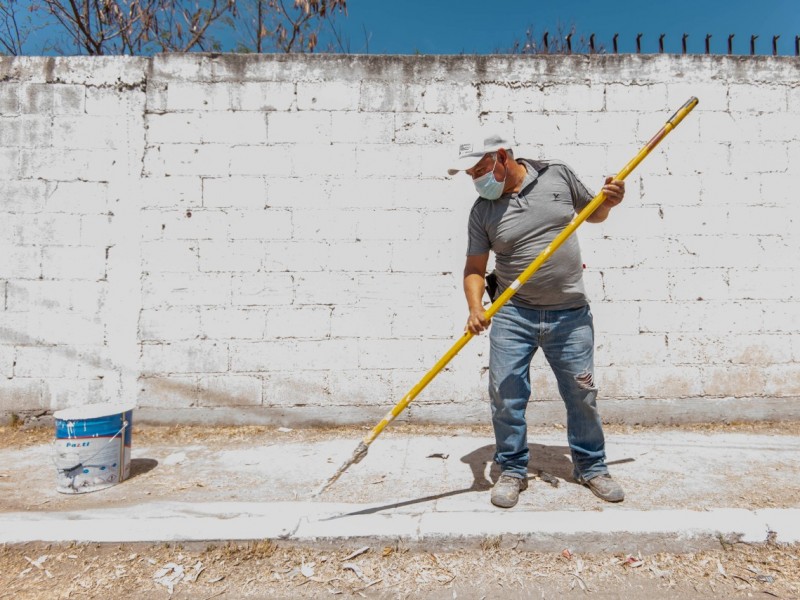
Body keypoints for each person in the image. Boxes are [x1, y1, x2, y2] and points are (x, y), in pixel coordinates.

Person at [448, 133, 626, 508]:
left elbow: (592, 212)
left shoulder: (556, 175)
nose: (476, 179)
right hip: (514, 315)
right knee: (506, 396)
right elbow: (475, 268)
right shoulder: (483, 211)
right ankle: (512, 469)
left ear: (501, 157)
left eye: (480, 169)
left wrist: (609, 203)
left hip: (571, 314)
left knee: (582, 395)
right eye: (470, 173)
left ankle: (591, 466)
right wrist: (475, 307)